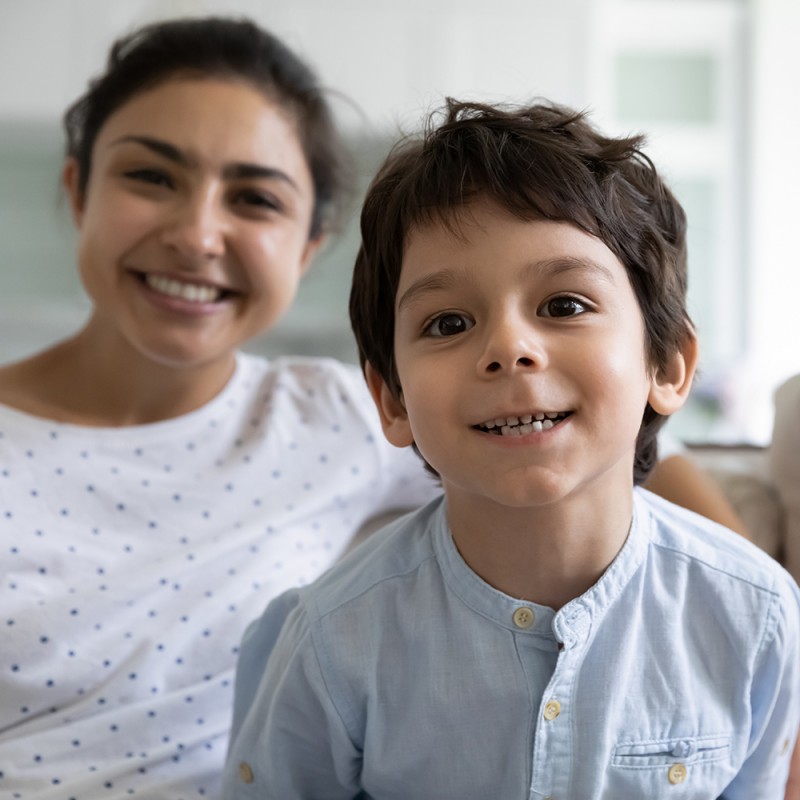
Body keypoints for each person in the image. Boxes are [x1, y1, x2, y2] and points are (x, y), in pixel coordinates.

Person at [224, 99, 800, 798]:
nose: (508, 349)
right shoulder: (327, 641)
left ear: (668, 365)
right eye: (448, 322)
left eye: (564, 305)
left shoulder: (759, 615)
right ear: (393, 400)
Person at [0, 17, 437, 799]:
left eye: (255, 198)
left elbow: (615, 463)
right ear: (78, 191)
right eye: (152, 178)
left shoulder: (339, 414)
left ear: (308, 248)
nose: (198, 235)